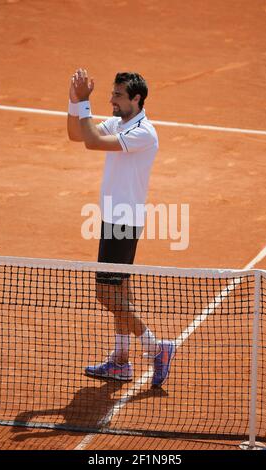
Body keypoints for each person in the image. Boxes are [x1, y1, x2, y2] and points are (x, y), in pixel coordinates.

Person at [67, 69, 175, 387]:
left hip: (123, 222)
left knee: (105, 294)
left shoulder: (144, 132)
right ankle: (121, 361)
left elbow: (92, 143)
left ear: (136, 99)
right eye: (112, 93)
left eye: (117, 95)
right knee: (119, 293)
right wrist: (75, 102)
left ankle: (157, 347)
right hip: (113, 218)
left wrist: (85, 102)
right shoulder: (119, 123)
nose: (111, 99)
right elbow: (77, 135)